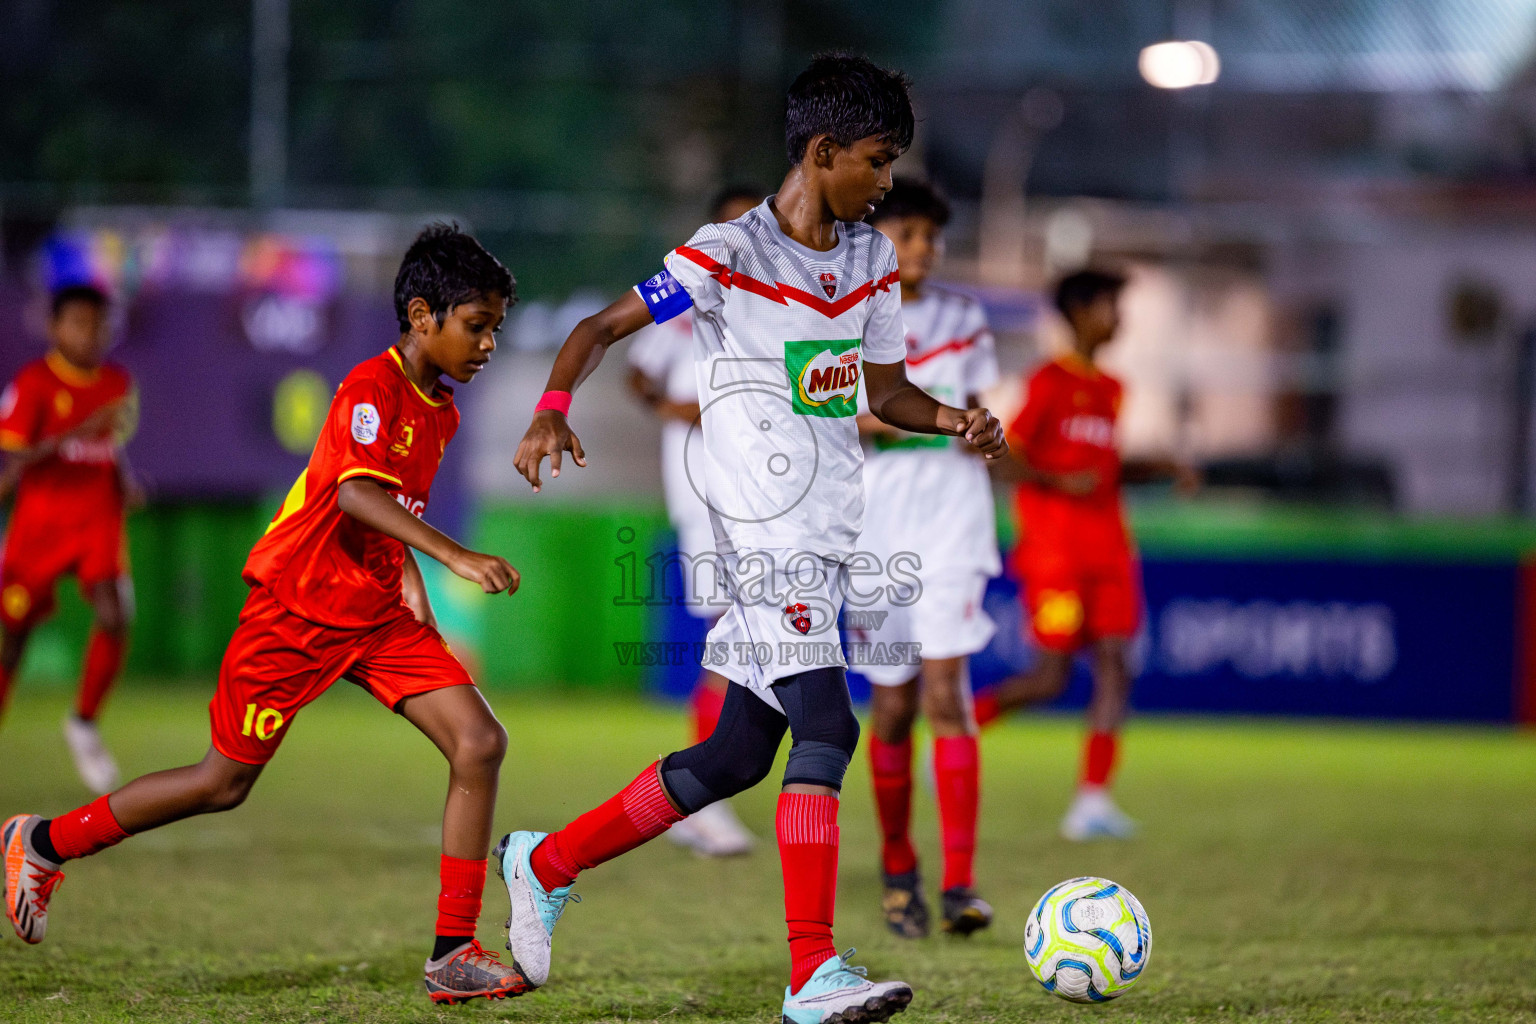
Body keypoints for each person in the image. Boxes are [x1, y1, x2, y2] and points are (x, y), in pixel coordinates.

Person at [501, 53, 1006, 1024]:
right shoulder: (726, 253)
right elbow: (603, 327)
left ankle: (546, 858)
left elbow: (884, 390)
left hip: (828, 539)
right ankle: (813, 971)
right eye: (877, 158)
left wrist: (955, 421)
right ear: (823, 153)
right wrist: (551, 405)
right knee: (831, 726)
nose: (888, 179)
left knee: (735, 755)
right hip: (761, 538)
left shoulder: (867, 262)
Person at [3, 225, 529, 1005]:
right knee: (221, 784)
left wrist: (412, 579)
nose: (487, 344)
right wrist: (454, 556)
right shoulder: (369, 389)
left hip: (375, 616)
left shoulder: (439, 410)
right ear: (422, 316)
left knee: (480, 742)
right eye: (476, 326)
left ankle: (453, 950)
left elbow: (387, 509)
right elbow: (355, 493)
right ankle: (42, 843)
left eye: (495, 329)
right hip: (296, 612)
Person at [975, 268, 1197, 841]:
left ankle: (1092, 801)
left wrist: (1159, 466)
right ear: (1077, 313)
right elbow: (1001, 457)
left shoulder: (1111, 388)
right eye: (1110, 306)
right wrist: (1054, 480)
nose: (1119, 319)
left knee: (1117, 666)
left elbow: (1102, 470)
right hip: (1056, 555)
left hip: (1109, 552)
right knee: (1049, 678)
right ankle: (960, 731)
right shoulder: (1047, 383)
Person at [851, 179, 999, 939]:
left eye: (931, 237)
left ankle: (960, 885)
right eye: (908, 234)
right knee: (893, 703)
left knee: (946, 692)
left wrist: (976, 427)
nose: (922, 249)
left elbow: (965, 409)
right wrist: (930, 417)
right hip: (876, 528)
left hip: (953, 521)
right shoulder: (846, 312)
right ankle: (899, 867)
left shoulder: (964, 317)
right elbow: (856, 420)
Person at [626, 184, 762, 858]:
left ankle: (697, 797)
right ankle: (698, 800)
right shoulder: (681, 286)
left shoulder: (773, 297)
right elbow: (636, 369)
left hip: (762, 492)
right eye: (732, 221)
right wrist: (676, 411)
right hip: (702, 491)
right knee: (728, 638)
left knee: (745, 643)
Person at [0, 284, 142, 794]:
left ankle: (83, 722)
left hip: (96, 518)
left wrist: (124, 480)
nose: (91, 334)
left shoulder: (116, 381)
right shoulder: (34, 383)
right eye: (80, 323)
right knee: (12, 639)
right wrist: (75, 431)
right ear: (55, 327)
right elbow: (18, 462)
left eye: (99, 324)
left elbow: (107, 447)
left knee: (115, 615)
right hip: (41, 524)